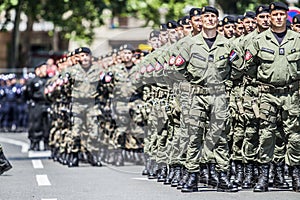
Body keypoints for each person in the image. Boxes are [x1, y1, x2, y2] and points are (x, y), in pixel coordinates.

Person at [243, 2, 300, 192]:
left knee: (294, 136)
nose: (277, 18)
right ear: (270, 17)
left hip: (291, 94)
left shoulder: (297, 39)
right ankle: (264, 175)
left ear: (286, 17)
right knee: (266, 135)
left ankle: (295, 174)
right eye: (274, 14)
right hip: (267, 94)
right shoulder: (259, 40)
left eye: (281, 14)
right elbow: (248, 67)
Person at [64, 47, 103, 167]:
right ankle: (74, 155)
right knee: (76, 132)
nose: (85, 58)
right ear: (77, 58)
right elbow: (66, 89)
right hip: (77, 104)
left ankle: (93, 155)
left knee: (94, 132)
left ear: (90, 57)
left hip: (92, 104)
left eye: (87, 55)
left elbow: (102, 88)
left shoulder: (97, 71)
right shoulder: (71, 71)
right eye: (82, 55)